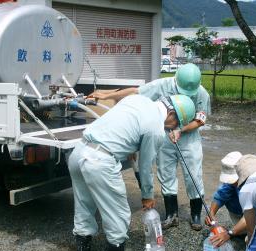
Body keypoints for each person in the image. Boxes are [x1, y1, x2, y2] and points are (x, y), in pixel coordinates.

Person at [67, 94, 195, 251]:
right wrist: (147, 196)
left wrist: (130, 146)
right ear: (171, 113)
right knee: (118, 214)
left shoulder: (138, 99)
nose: (172, 128)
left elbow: (123, 125)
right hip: (100, 161)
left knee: (84, 205)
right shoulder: (156, 128)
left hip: (79, 151)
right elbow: (146, 166)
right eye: (176, 123)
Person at [90, 63, 211, 231]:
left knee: (193, 175)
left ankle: (196, 214)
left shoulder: (202, 93)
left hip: (189, 138)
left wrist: (180, 130)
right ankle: (171, 214)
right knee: (165, 173)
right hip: (164, 135)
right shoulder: (163, 84)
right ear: (176, 81)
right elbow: (136, 92)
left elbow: (200, 119)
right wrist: (107, 94)